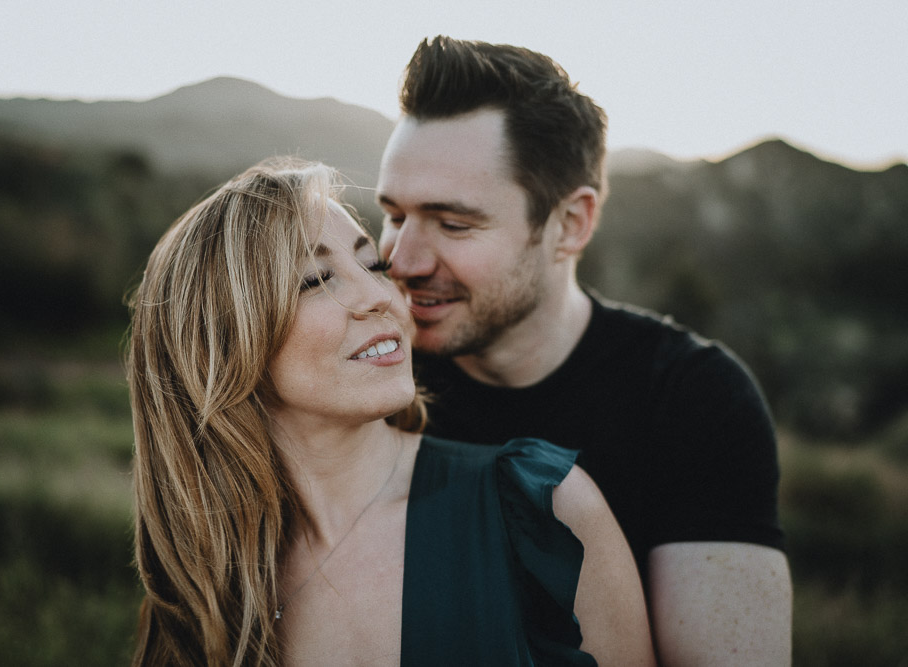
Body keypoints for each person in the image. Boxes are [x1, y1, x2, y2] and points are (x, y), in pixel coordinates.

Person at [126, 158, 655, 666]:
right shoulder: (201, 585)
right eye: (315, 280)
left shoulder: (542, 510)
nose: (380, 294)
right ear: (220, 348)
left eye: (372, 263)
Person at [375, 36, 793, 666]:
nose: (401, 260)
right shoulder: (367, 380)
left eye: (453, 224)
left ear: (571, 224)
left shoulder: (694, 400)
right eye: (394, 215)